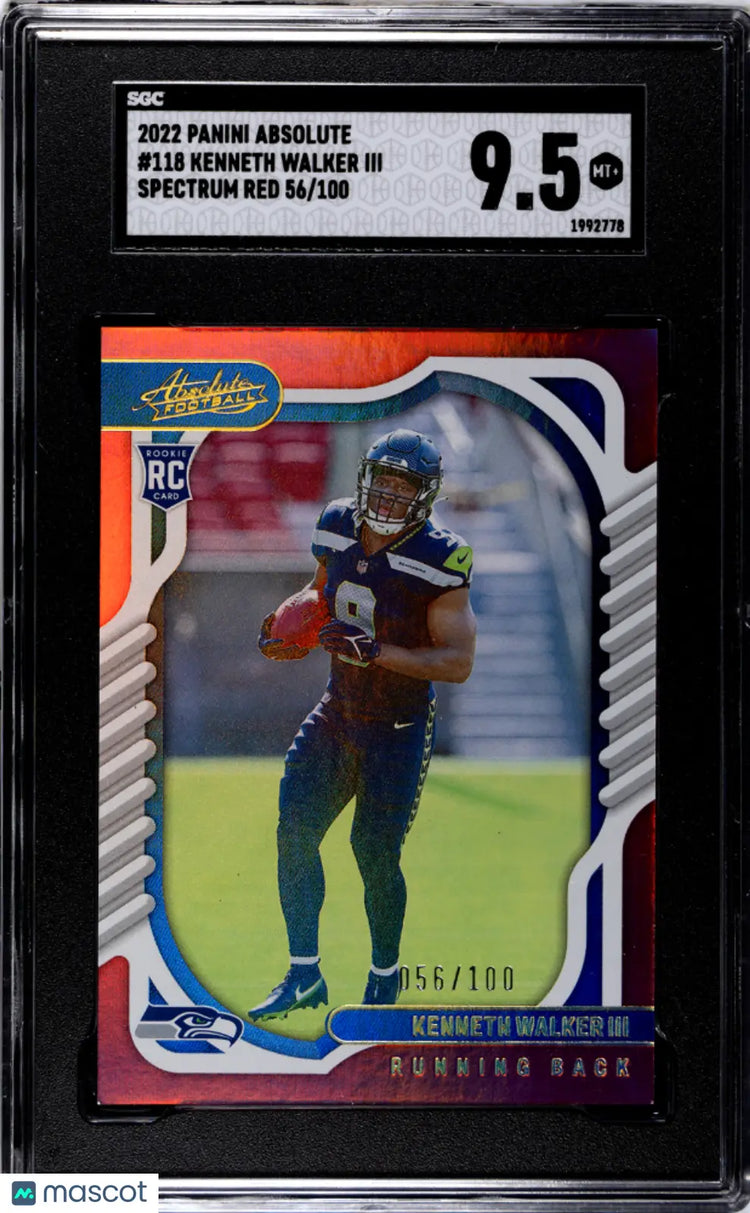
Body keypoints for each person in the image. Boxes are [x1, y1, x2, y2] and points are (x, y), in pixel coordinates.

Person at [247, 428, 476, 1020]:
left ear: (425, 495)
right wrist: (292, 622)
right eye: (384, 480)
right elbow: (321, 591)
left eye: (405, 486)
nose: (390, 495)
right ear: (365, 477)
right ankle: (304, 975)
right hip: (338, 710)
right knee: (294, 831)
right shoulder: (335, 523)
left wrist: (377, 652)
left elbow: (457, 662)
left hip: (398, 725)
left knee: (373, 853)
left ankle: (384, 979)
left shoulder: (442, 556)